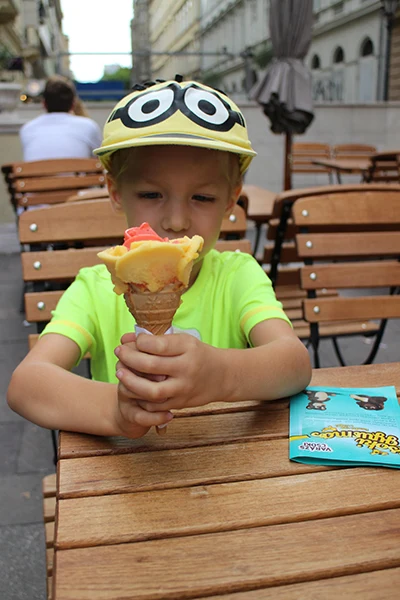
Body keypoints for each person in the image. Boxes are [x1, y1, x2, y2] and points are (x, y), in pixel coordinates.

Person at [7, 77, 312, 439]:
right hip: (129, 479)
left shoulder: (238, 275)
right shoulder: (95, 287)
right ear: (116, 191)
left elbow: (294, 363)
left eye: (203, 198)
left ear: (231, 198)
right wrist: (117, 412)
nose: (177, 221)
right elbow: (26, 384)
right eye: (151, 194)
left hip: (226, 473)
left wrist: (223, 375)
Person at [19, 75, 102, 162]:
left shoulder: (27, 129)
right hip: (75, 175)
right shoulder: (89, 126)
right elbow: (100, 161)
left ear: (44, 104)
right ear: (73, 104)